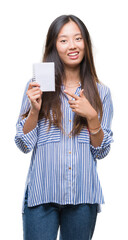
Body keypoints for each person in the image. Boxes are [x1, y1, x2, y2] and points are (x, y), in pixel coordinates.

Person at [15, 15, 113, 240]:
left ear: (85, 44)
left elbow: (101, 151)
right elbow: (23, 144)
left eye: (78, 38)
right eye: (64, 40)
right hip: (41, 196)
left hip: (82, 197)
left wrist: (92, 117)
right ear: (53, 46)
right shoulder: (37, 87)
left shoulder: (101, 93)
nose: (72, 46)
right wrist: (34, 110)